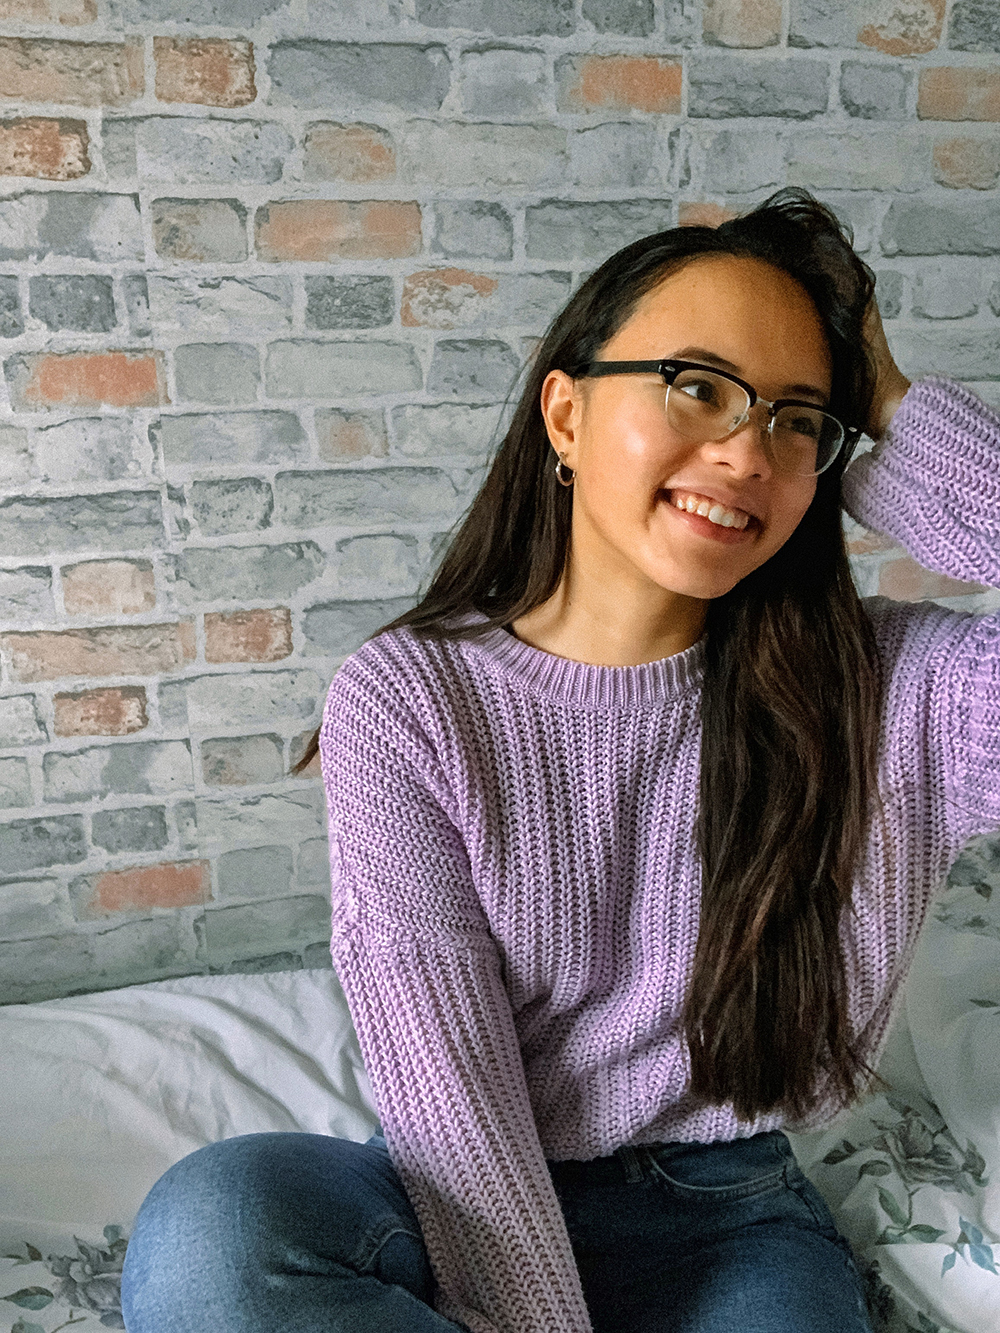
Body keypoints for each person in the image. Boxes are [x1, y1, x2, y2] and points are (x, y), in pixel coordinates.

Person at [121, 188, 1000, 1333]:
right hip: (449, 1194)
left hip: (729, 1218)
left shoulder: (893, 692)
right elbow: (452, 1094)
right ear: (568, 414)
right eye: (698, 384)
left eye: (797, 417)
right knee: (216, 1224)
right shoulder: (413, 700)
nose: (747, 449)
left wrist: (890, 408)